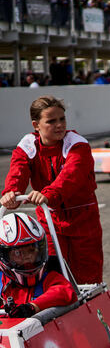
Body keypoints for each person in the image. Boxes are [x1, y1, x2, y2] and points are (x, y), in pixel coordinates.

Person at [0, 96, 103, 284]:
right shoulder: (27, 147)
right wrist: (11, 192)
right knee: (49, 271)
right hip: (49, 219)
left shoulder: (77, 145)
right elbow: (18, 170)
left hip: (83, 218)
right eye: (51, 121)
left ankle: (88, 309)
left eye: (62, 119)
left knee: (87, 275)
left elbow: (71, 176)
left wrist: (48, 194)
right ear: (36, 125)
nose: (59, 125)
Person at [0, 212, 77, 318]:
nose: (27, 257)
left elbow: (65, 292)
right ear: (4, 256)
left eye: (31, 250)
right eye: (18, 253)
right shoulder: (2, 283)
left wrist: (33, 307)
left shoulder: (49, 278)